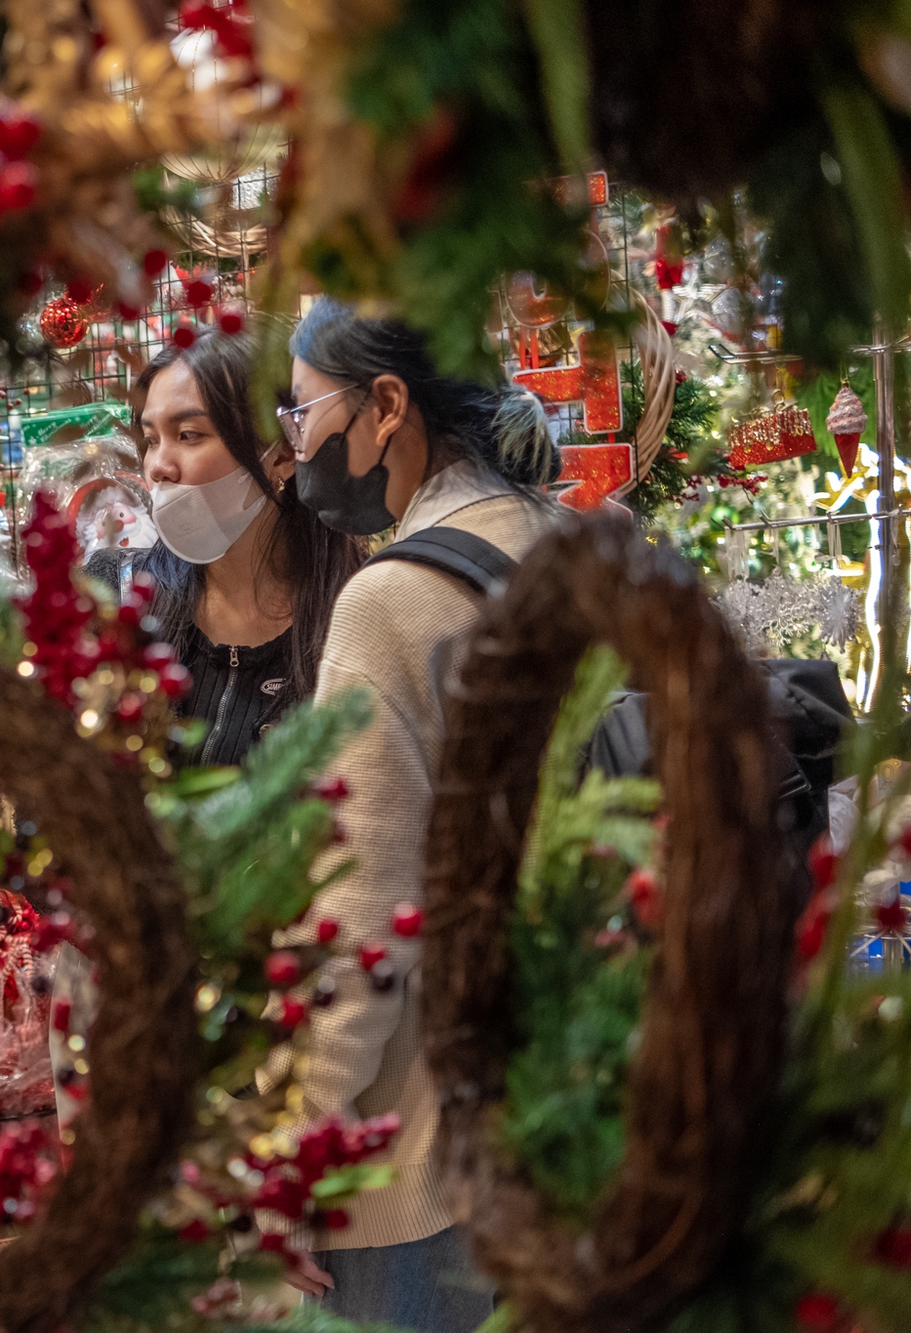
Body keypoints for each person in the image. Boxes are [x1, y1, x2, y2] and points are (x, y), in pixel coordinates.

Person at [277, 300, 562, 1331]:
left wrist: (286, 1155)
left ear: (385, 405)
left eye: (300, 410)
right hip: (565, 1118)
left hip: (416, 1165)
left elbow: (360, 914)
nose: (294, 442)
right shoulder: (566, 546)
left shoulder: (389, 600)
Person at [86, 330, 368, 763]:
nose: (159, 465)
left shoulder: (351, 621)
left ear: (282, 455)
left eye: (188, 435)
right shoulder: (114, 594)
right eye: (151, 439)